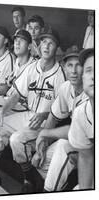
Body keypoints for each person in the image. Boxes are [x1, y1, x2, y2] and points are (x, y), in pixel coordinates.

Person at [0, 29, 66, 193]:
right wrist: (2, 112)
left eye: (51, 43)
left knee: (16, 139)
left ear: (57, 48)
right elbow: (16, 95)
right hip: (29, 115)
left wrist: (44, 114)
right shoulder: (32, 67)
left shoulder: (60, 75)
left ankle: (29, 179)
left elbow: (62, 114)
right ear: (39, 45)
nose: (46, 46)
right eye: (43, 42)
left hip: (46, 123)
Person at [33, 46, 88, 192]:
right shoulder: (66, 87)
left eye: (79, 65)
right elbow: (53, 117)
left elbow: (77, 132)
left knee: (63, 145)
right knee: (42, 162)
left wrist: (45, 134)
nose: (74, 71)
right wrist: (42, 144)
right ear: (64, 67)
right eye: (70, 65)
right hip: (81, 144)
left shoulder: (92, 92)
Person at [68, 48, 94, 189]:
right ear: (82, 78)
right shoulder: (81, 113)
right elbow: (86, 157)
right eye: (89, 70)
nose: (94, 76)